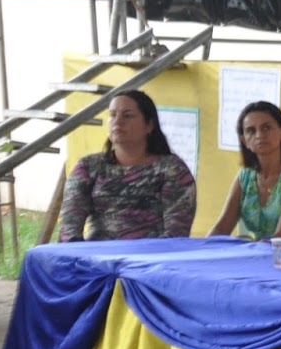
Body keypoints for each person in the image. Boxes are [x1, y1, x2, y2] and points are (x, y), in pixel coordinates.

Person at [58, 89, 195, 241]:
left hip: (152, 254)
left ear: (149, 125)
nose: (118, 122)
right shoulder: (88, 167)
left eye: (128, 115)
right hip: (97, 253)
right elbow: (69, 227)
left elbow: (177, 233)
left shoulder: (172, 169)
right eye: (112, 115)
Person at [206, 101, 281, 240]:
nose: (259, 135)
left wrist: (249, 245)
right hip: (256, 249)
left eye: (266, 128)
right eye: (251, 131)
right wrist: (202, 248)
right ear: (244, 141)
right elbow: (222, 227)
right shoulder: (245, 177)